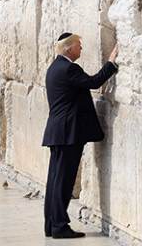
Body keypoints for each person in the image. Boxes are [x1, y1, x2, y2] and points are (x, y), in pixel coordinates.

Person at [42, 32, 119, 239]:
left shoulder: (54, 68)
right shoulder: (69, 68)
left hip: (58, 131)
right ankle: (59, 226)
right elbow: (94, 82)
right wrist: (111, 62)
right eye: (79, 45)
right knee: (64, 181)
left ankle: (51, 224)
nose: (81, 49)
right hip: (69, 133)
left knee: (55, 179)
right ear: (69, 49)